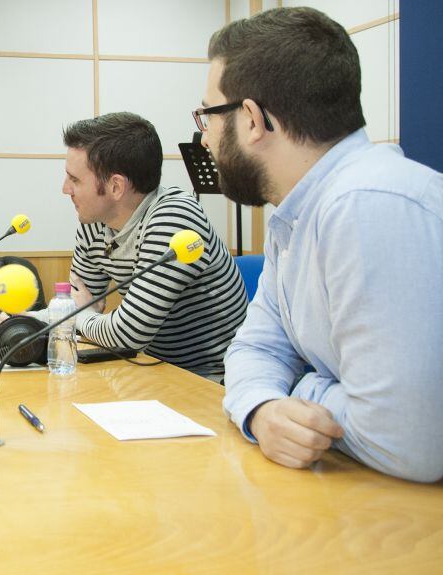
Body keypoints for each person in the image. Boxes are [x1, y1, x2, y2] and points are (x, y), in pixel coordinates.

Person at [204, 8, 443, 482]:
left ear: (251, 120)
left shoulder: (369, 205)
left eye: (207, 115)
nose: (205, 137)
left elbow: (408, 441)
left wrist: (301, 388)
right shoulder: (297, 213)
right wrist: (263, 407)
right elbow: (255, 350)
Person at [34, 112, 247, 379]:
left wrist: (82, 317)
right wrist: (21, 322)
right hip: (152, 370)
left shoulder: (174, 218)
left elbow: (126, 333)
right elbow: (77, 306)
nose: (65, 189)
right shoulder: (94, 223)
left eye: (75, 180)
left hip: (213, 378)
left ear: (115, 186)